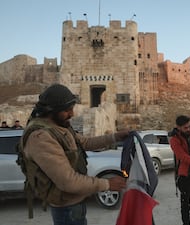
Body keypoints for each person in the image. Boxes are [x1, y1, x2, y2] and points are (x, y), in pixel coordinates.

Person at [20, 84, 128, 225]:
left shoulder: (59, 125)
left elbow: (85, 143)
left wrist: (116, 137)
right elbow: (68, 181)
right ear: (51, 110)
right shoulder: (41, 137)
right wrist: (107, 184)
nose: (72, 114)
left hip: (75, 203)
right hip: (66, 208)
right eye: (66, 110)